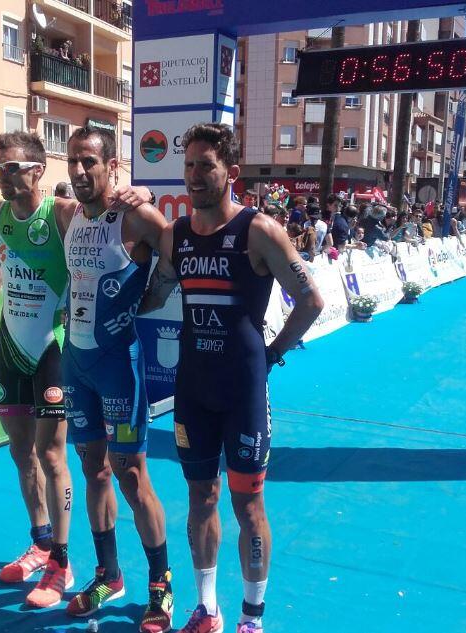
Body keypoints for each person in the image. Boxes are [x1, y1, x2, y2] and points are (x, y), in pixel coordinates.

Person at [139, 123, 324, 633]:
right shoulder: (176, 236)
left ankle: (252, 617)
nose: (194, 176)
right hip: (193, 392)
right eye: (190, 165)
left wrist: (273, 354)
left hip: (243, 392)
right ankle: (207, 608)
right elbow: (156, 293)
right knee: (201, 498)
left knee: (248, 505)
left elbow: (312, 300)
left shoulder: (259, 231)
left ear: (232, 174)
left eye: (206, 166)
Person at [0, 131, 149, 609]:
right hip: (9, 346)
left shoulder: (62, 214)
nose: (0, 175)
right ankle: (41, 542)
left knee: (52, 455)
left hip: (55, 348)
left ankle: (63, 561)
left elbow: (114, 218)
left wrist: (139, 193)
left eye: (10, 167)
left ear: (37, 171)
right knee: (20, 453)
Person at [60, 126, 173, 631]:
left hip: (118, 368)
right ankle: (109, 574)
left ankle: (160, 584)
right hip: (76, 364)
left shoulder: (135, 216)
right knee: (93, 471)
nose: (81, 171)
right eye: (74, 162)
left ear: (110, 164)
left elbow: (176, 244)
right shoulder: (65, 214)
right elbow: (13, 204)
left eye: (90, 162)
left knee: (131, 475)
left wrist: (155, 295)